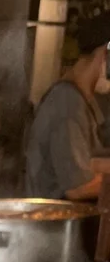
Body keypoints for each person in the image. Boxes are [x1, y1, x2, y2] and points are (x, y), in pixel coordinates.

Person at [26, 11, 110, 202]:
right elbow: (78, 187)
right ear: (105, 54)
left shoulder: (83, 101)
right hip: (56, 229)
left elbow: (91, 163)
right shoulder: (67, 104)